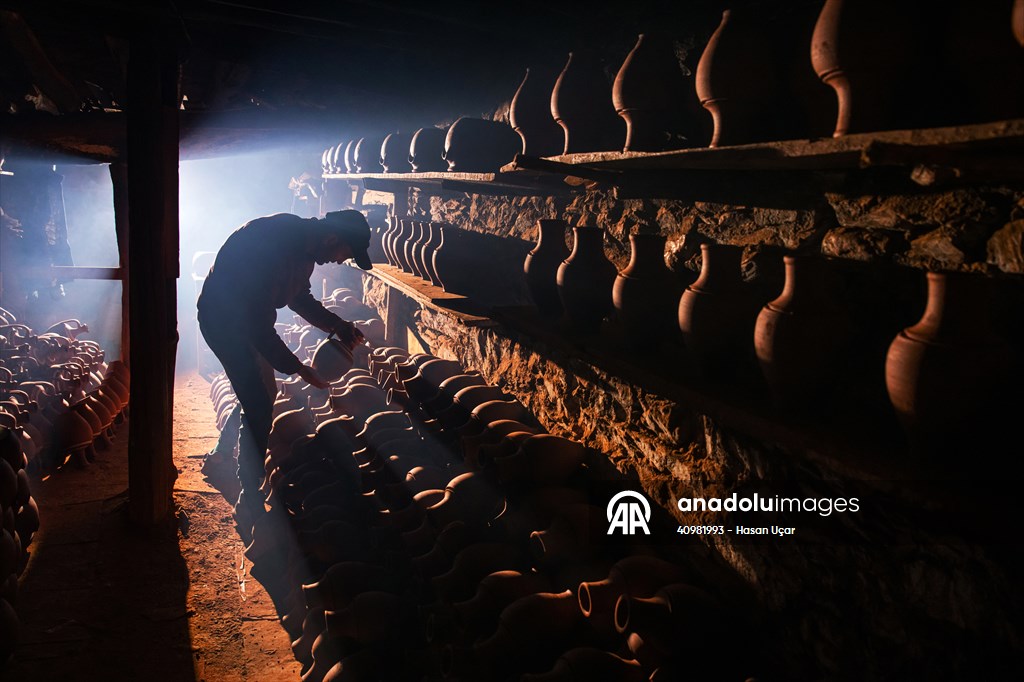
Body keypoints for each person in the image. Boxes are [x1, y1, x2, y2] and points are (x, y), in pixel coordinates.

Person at [197, 210, 372, 528]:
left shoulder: (303, 248)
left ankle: (223, 452)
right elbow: (258, 326)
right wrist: (297, 367)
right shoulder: (276, 245)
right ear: (332, 238)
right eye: (342, 254)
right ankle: (248, 497)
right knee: (260, 402)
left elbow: (299, 298)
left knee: (263, 392)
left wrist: (337, 325)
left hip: (244, 322)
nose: (338, 261)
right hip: (224, 322)